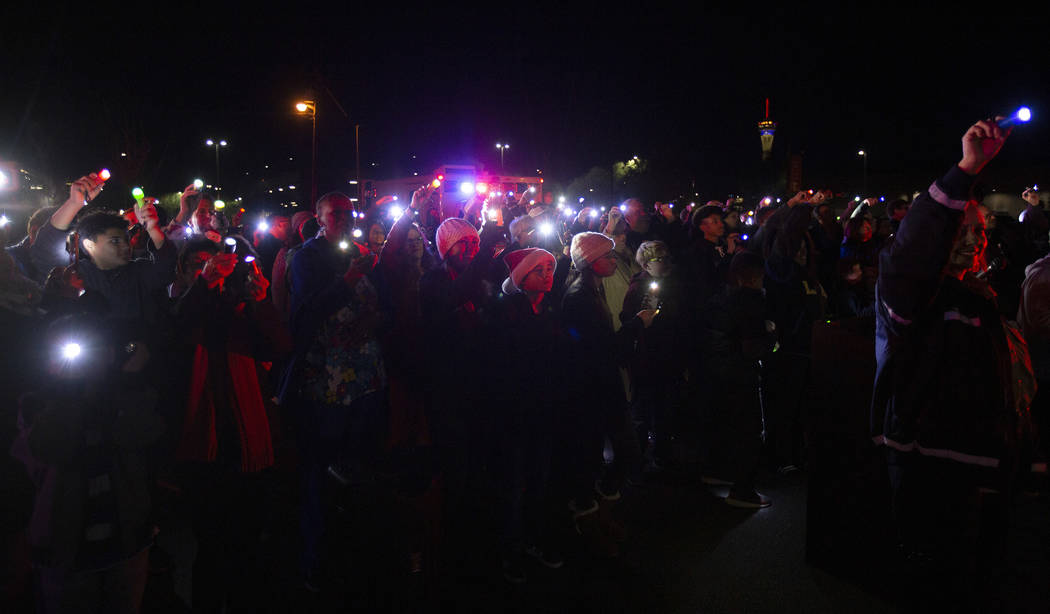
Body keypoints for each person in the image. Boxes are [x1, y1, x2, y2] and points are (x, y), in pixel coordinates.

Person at [872, 118, 1034, 609]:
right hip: (931, 465)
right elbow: (913, 255)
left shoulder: (978, 297)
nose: (972, 240)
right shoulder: (912, 297)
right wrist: (964, 170)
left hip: (981, 468)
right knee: (934, 583)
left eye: (980, 231)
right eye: (960, 229)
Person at [12, 314, 163, 614]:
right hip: (67, 551)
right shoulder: (36, 403)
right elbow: (52, 448)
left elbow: (143, 434)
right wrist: (70, 390)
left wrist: (129, 381)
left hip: (126, 543)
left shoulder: (122, 394)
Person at [170, 239, 290, 612]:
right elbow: (180, 333)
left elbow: (279, 347)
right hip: (205, 443)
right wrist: (202, 285)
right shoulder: (176, 307)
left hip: (247, 438)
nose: (210, 270)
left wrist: (260, 301)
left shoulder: (237, 310)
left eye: (215, 264)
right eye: (197, 265)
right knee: (209, 544)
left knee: (249, 541)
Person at [285, 191, 386, 589]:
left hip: (364, 376)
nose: (344, 219)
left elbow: (386, 305)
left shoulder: (361, 253)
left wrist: (378, 318)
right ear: (320, 218)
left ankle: (354, 546)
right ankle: (315, 556)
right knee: (322, 465)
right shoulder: (306, 258)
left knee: (358, 461)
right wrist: (349, 278)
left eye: (348, 212)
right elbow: (306, 313)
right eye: (336, 213)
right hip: (327, 378)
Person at [561, 232, 653, 556]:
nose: (614, 262)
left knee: (616, 455)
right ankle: (590, 523)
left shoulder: (592, 291)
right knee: (603, 456)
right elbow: (600, 351)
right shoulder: (578, 298)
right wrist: (637, 325)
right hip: (591, 392)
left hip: (601, 389)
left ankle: (601, 513)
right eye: (608, 257)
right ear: (590, 262)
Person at [489, 247, 566, 582]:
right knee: (514, 485)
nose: (548, 275)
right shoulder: (505, 312)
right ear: (522, 277)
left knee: (540, 480)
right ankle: (510, 550)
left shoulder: (548, 309)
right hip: (515, 413)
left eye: (550, 268)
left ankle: (535, 539)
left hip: (543, 410)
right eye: (539, 270)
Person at [31, 174, 176, 331]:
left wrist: (153, 227)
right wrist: (73, 203)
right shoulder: (75, 273)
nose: (125, 246)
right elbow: (44, 249)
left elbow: (165, 267)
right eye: (114, 241)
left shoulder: (137, 272)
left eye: (126, 239)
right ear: (90, 245)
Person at [700, 252, 777, 507]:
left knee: (722, 424)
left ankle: (717, 471)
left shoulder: (718, 298)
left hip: (716, 371)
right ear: (755, 277)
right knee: (749, 431)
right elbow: (751, 347)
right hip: (740, 373)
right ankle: (743, 491)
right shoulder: (750, 302)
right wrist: (771, 338)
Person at [620, 240, 690, 469]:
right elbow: (626, 317)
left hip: (668, 354)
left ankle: (662, 453)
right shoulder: (638, 286)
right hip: (647, 355)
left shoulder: (672, 283)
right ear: (646, 265)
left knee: (664, 407)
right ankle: (635, 458)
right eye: (658, 259)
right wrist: (643, 319)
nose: (664, 263)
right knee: (643, 407)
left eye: (665, 257)